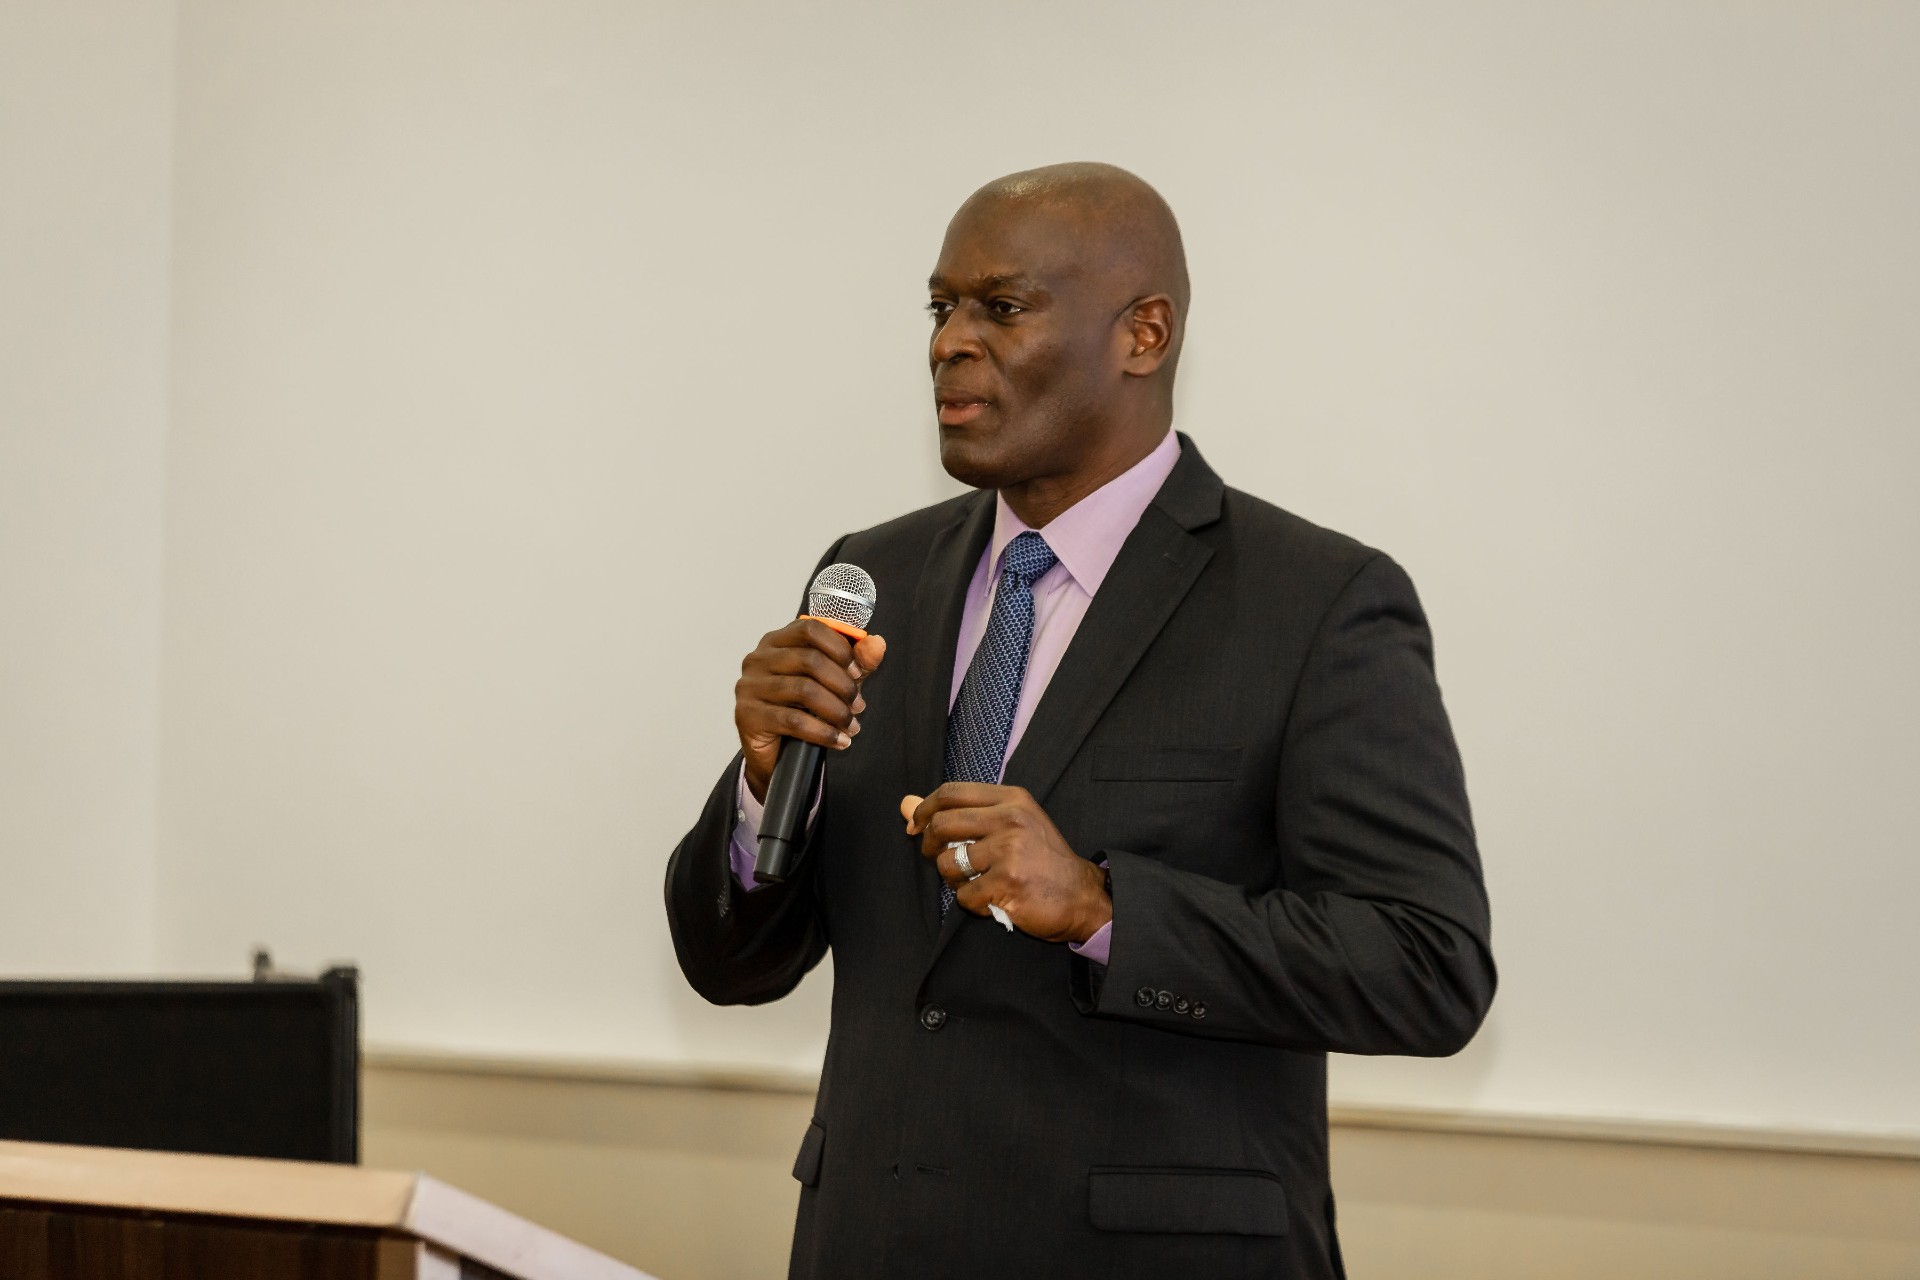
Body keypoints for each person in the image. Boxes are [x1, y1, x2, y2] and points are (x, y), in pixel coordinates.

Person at [664, 162, 1494, 1279]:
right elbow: (731, 966)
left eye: (999, 307)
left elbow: (1426, 964)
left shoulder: (1316, 603)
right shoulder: (873, 575)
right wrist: (763, 781)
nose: (948, 342)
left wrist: (1105, 906)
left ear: (1143, 334)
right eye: (940, 306)